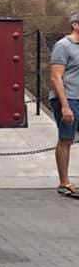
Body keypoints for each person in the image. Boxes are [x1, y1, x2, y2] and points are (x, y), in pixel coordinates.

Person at [49, 11, 79, 198]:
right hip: (69, 98)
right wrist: (65, 106)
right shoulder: (63, 45)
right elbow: (56, 76)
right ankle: (64, 181)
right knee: (66, 139)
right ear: (75, 24)